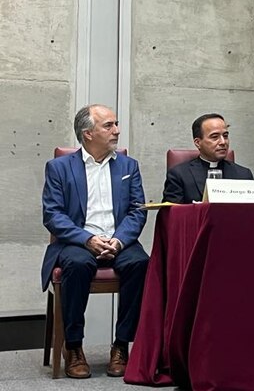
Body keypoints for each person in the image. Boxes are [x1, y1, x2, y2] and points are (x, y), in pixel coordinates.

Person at [41, 105, 149, 379]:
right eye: (109, 125)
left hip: (119, 240)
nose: (117, 130)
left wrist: (119, 241)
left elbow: (138, 211)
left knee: (140, 263)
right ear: (88, 133)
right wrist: (87, 239)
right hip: (78, 242)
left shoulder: (129, 166)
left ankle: (121, 345)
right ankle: (74, 346)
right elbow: (52, 215)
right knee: (76, 266)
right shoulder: (59, 167)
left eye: (116, 124)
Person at [162, 113, 254, 203]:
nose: (223, 142)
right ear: (198, 142)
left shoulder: (244, 175)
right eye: (214, 137)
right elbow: (171, 214)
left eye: (225, 136)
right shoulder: (179, 175)